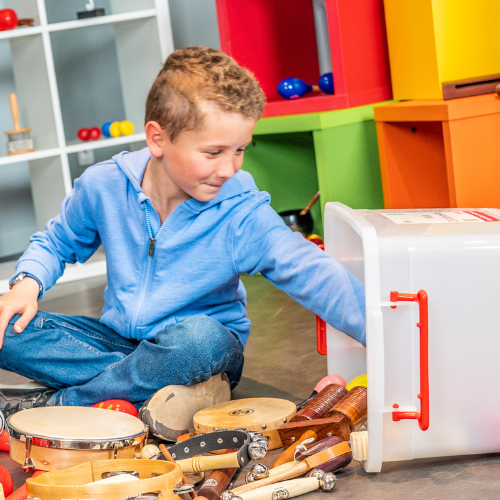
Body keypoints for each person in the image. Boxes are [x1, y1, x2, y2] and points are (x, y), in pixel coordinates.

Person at [0, 46, 365, 440]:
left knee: (197, 341)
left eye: (240, 150)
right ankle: (154, 395)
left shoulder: (240, 211)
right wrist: (26, 284)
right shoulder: (104, 185)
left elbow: (311, 270)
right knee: (3, 324)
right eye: (213, 152)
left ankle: (61, 405)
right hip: (120, 341)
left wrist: (388, 331)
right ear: (158, 139)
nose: (229, 168)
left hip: (203, 350)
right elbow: (56, 241)